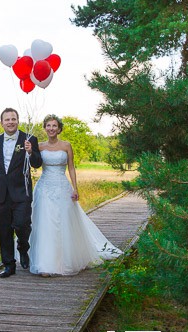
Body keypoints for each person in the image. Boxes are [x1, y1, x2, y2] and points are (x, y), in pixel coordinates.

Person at [28, 115, 122, 276]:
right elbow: (35, 163)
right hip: (44, 188)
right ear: (44, 128)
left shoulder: (66, 145)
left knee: (64, 222)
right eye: (48, 125)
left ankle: (66, 260)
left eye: (54, 126)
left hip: (62, 187)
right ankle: (45, 264)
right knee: (45, 223)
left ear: (59, 129)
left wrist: (75, 188)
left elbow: (71, 167)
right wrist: (30, 152)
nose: (51, 128)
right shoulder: (39, 146)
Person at [0, 108, 43, 278]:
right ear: (1, 123)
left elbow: (37, 164)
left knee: (22, 224)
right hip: (0, 194)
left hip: (21, 192)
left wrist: (31, 151)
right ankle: (9, 265)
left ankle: (23, 248)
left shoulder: (29, 139)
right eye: (7, 119)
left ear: (18, 121)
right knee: (3, 230)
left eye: (13, 119)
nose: (10, 122)